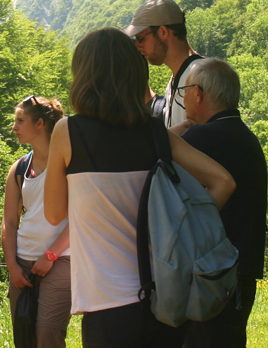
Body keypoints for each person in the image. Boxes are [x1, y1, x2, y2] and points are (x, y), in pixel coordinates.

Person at [44, 28, 236, 348]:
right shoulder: (155, 132)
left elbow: (53, 214)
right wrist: (183, 228)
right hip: (165, 297)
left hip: (107, 304)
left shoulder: (69, 132)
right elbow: (223, 181)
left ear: (84, 75)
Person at [178, 57, 268, 348]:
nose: (184, 98)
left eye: (186, 90)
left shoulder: (202, 137)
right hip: (243, 269)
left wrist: (179, 131)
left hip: (212, 275)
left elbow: (151, 154)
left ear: (200, 94)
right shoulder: (246, 137)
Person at [2, 96, 71, 348]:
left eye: (20, 121)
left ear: (40, 123)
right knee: (25, 336)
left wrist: (51, 255)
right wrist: (12, 266)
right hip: (22, 263)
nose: (14, 127)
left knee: (47, 335)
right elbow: (9, 222)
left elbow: (81, 217)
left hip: (62, 259)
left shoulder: (70, 161)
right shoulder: (19, 168)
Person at [122, 0, 202, 130]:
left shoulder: (201, 78)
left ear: (163, 32)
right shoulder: (176, 80)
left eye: (141, 39)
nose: (138, 46)